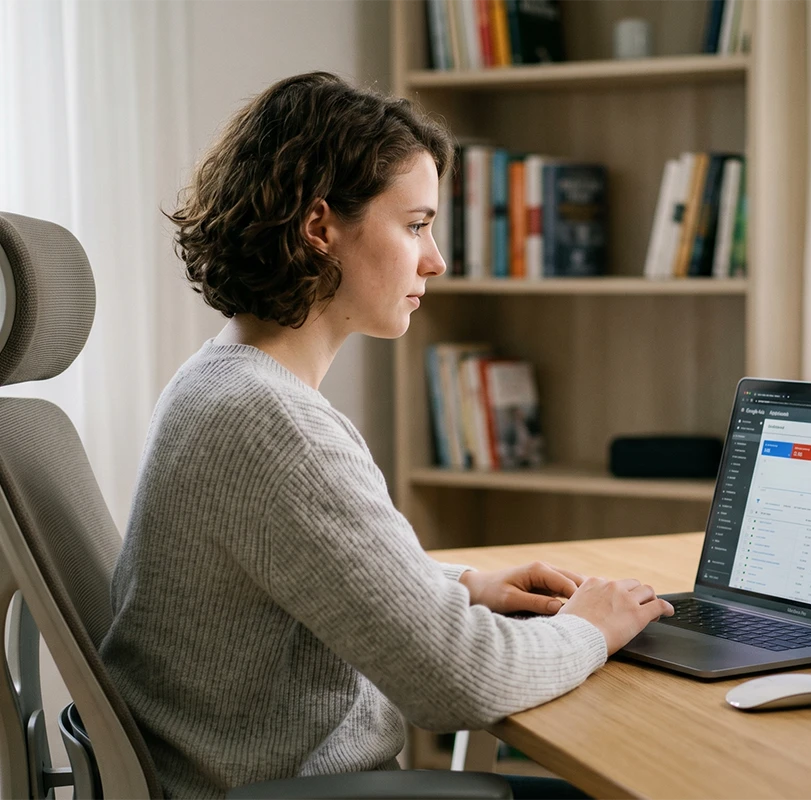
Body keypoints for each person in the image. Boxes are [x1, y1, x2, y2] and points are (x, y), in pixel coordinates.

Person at [99, 71, 674, 800]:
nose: (434, 260)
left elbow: (289, 571)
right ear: (320, 230)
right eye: (415, 225)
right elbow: (457, 682)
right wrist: (592, 627)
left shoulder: (216, 380)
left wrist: (462, 584)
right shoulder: (274, 425)